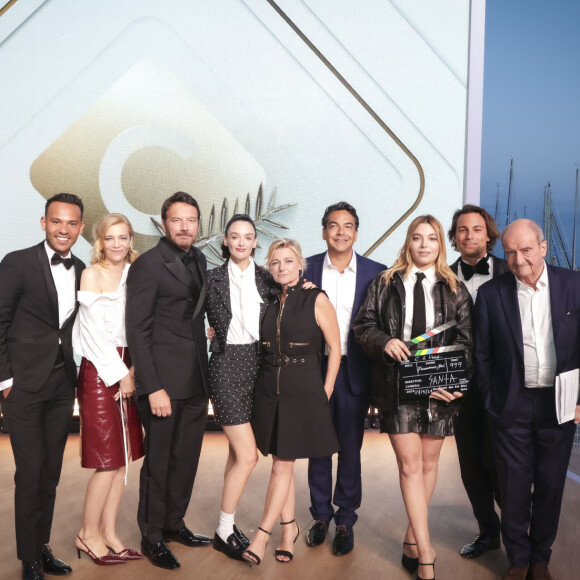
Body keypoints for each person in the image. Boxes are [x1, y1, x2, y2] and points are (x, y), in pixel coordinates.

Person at [353, 215, 473, 580]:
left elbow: (468, 343)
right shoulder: (385, 283)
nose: (424, 245)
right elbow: (364, 326)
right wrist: (384, 341)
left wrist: (457, 384)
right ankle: (426, 552)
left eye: (432, 239)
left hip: (440, 390)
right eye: (418, 238)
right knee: (409, 465)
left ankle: (410, 537)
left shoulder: (456, 288)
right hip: (396, 386)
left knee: (428, 466)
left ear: (440, 244)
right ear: (408, 242)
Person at [474, 218, 580, 580]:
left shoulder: (574, 286)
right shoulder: (492, 294)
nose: (519, 260)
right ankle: (518, 559)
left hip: (560, 404)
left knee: (551, 485)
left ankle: (541, 557)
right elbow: (482, 355)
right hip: (511, 405)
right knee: (513, 486)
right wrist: (492, 401)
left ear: (544, 247)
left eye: (526, 250)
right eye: (510, 253)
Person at [0, 193, 85, 580]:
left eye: (71, 223)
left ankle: (42, 545)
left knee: (50, 472)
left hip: (61, 384)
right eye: (56, 221)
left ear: (81, 228)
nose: (63, 229)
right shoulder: (16, 262)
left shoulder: (82, 268)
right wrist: (5, 381)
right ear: (43, 222)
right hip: (23, 386)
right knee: (30, 471)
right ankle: (28, 559)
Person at [125, 191, 212, 571]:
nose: (184, 226)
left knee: (186, 459)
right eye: (177, 220)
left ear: (198, 224)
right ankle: (152, 535)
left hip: (195, 378)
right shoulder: (147, 264)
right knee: (159, 463)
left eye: (190, 220)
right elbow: (138, 329)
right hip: (162, 383)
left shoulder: (200, 259)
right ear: (164, 224)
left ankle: (174, 524)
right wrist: (152, 385)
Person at [242, 238, 341, 566]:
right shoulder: (267, 299)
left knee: (283, 464)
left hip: (304, 390)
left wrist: (325, 391)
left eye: (288, 261)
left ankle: (261, 535)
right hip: (269, 389)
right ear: (269, 268)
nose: (281, 267)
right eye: (275, 262)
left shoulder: (317, 298)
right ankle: (289, 529)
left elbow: (335, 348)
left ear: (300, 265)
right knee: (280, 462)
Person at [304, 202, 386, 555]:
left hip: (354, 372)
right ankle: (320, 515)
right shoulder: (303, 267)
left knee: (350, 450)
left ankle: (345, 519)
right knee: (318, 448)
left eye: (348, 226)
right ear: (324, 231)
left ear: (356, 232)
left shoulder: (376, 272)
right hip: (313, 371)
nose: (340, 232)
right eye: (334, 226)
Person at [72, 213, 143, 565]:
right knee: (107, 460)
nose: (117, 244)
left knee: (121, 461)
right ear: (100, 241)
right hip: (100, 370)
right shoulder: (91, 274)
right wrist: (121, 374)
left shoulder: (134, 273)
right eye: (110, 238)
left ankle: (109, 533)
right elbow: (94, 336)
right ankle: (87, 534)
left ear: (131, 240)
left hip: (126, 365)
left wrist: (133, 367)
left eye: (123, 237)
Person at [205, 214, 274, 560]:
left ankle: (227, 524)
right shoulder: (211, 278)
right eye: (235, 236)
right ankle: (222, 529)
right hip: (226, 366)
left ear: (256, 242)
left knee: (236, 454)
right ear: (226, 241)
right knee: (248, 455)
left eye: (248, 237)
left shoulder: (268, 278)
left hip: (259, 367)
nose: (242, 242)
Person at [448, 204, 508, 558]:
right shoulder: (442, 277)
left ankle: (520, 534)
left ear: (489, 234)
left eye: (476, 229)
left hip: (502, 386)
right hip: (458, 386)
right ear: (454, 238)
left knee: (500, 464)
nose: (469, 235)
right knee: (470, 467)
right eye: (462, 230)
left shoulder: (508, 271)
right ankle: (488, 532)